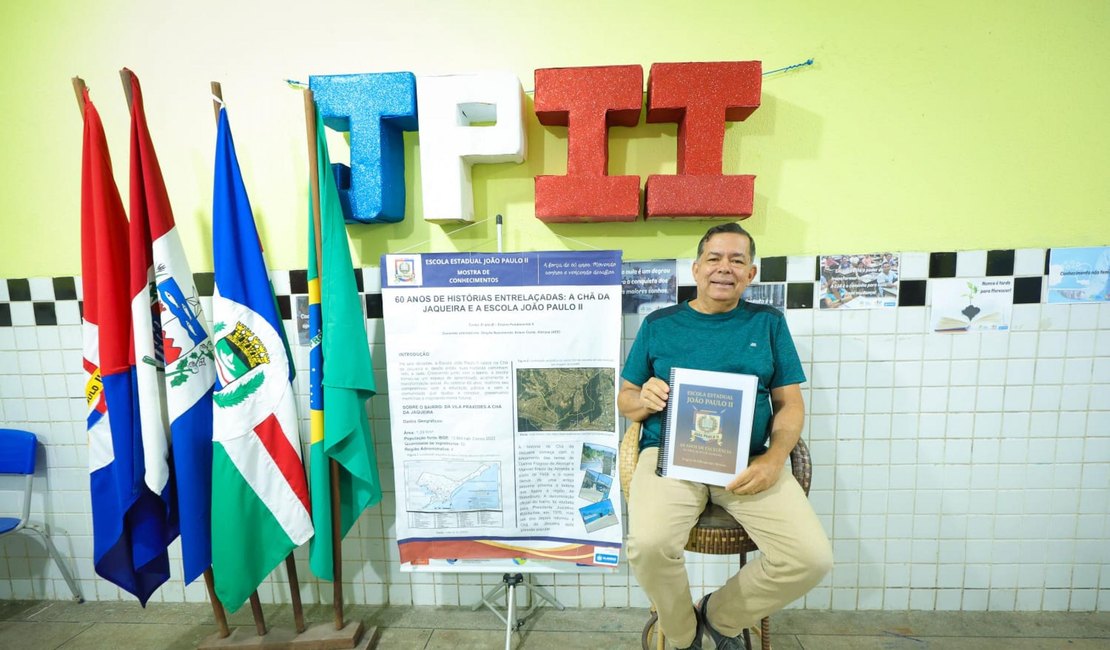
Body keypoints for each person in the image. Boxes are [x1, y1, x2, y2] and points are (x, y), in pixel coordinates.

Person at [619, 223, 832, 650]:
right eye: (714, 258)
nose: (724, 268)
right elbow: (626, 398)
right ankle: (684, 635)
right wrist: (643, 398)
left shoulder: (768, 323)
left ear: (750, 274)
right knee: (648, 545)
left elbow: (790, 404)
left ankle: (718, 617)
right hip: (670, 457)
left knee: (810, 559)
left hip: (746, 461)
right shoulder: (660, 324)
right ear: (696, 268)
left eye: (737, 260)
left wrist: (774, 458)